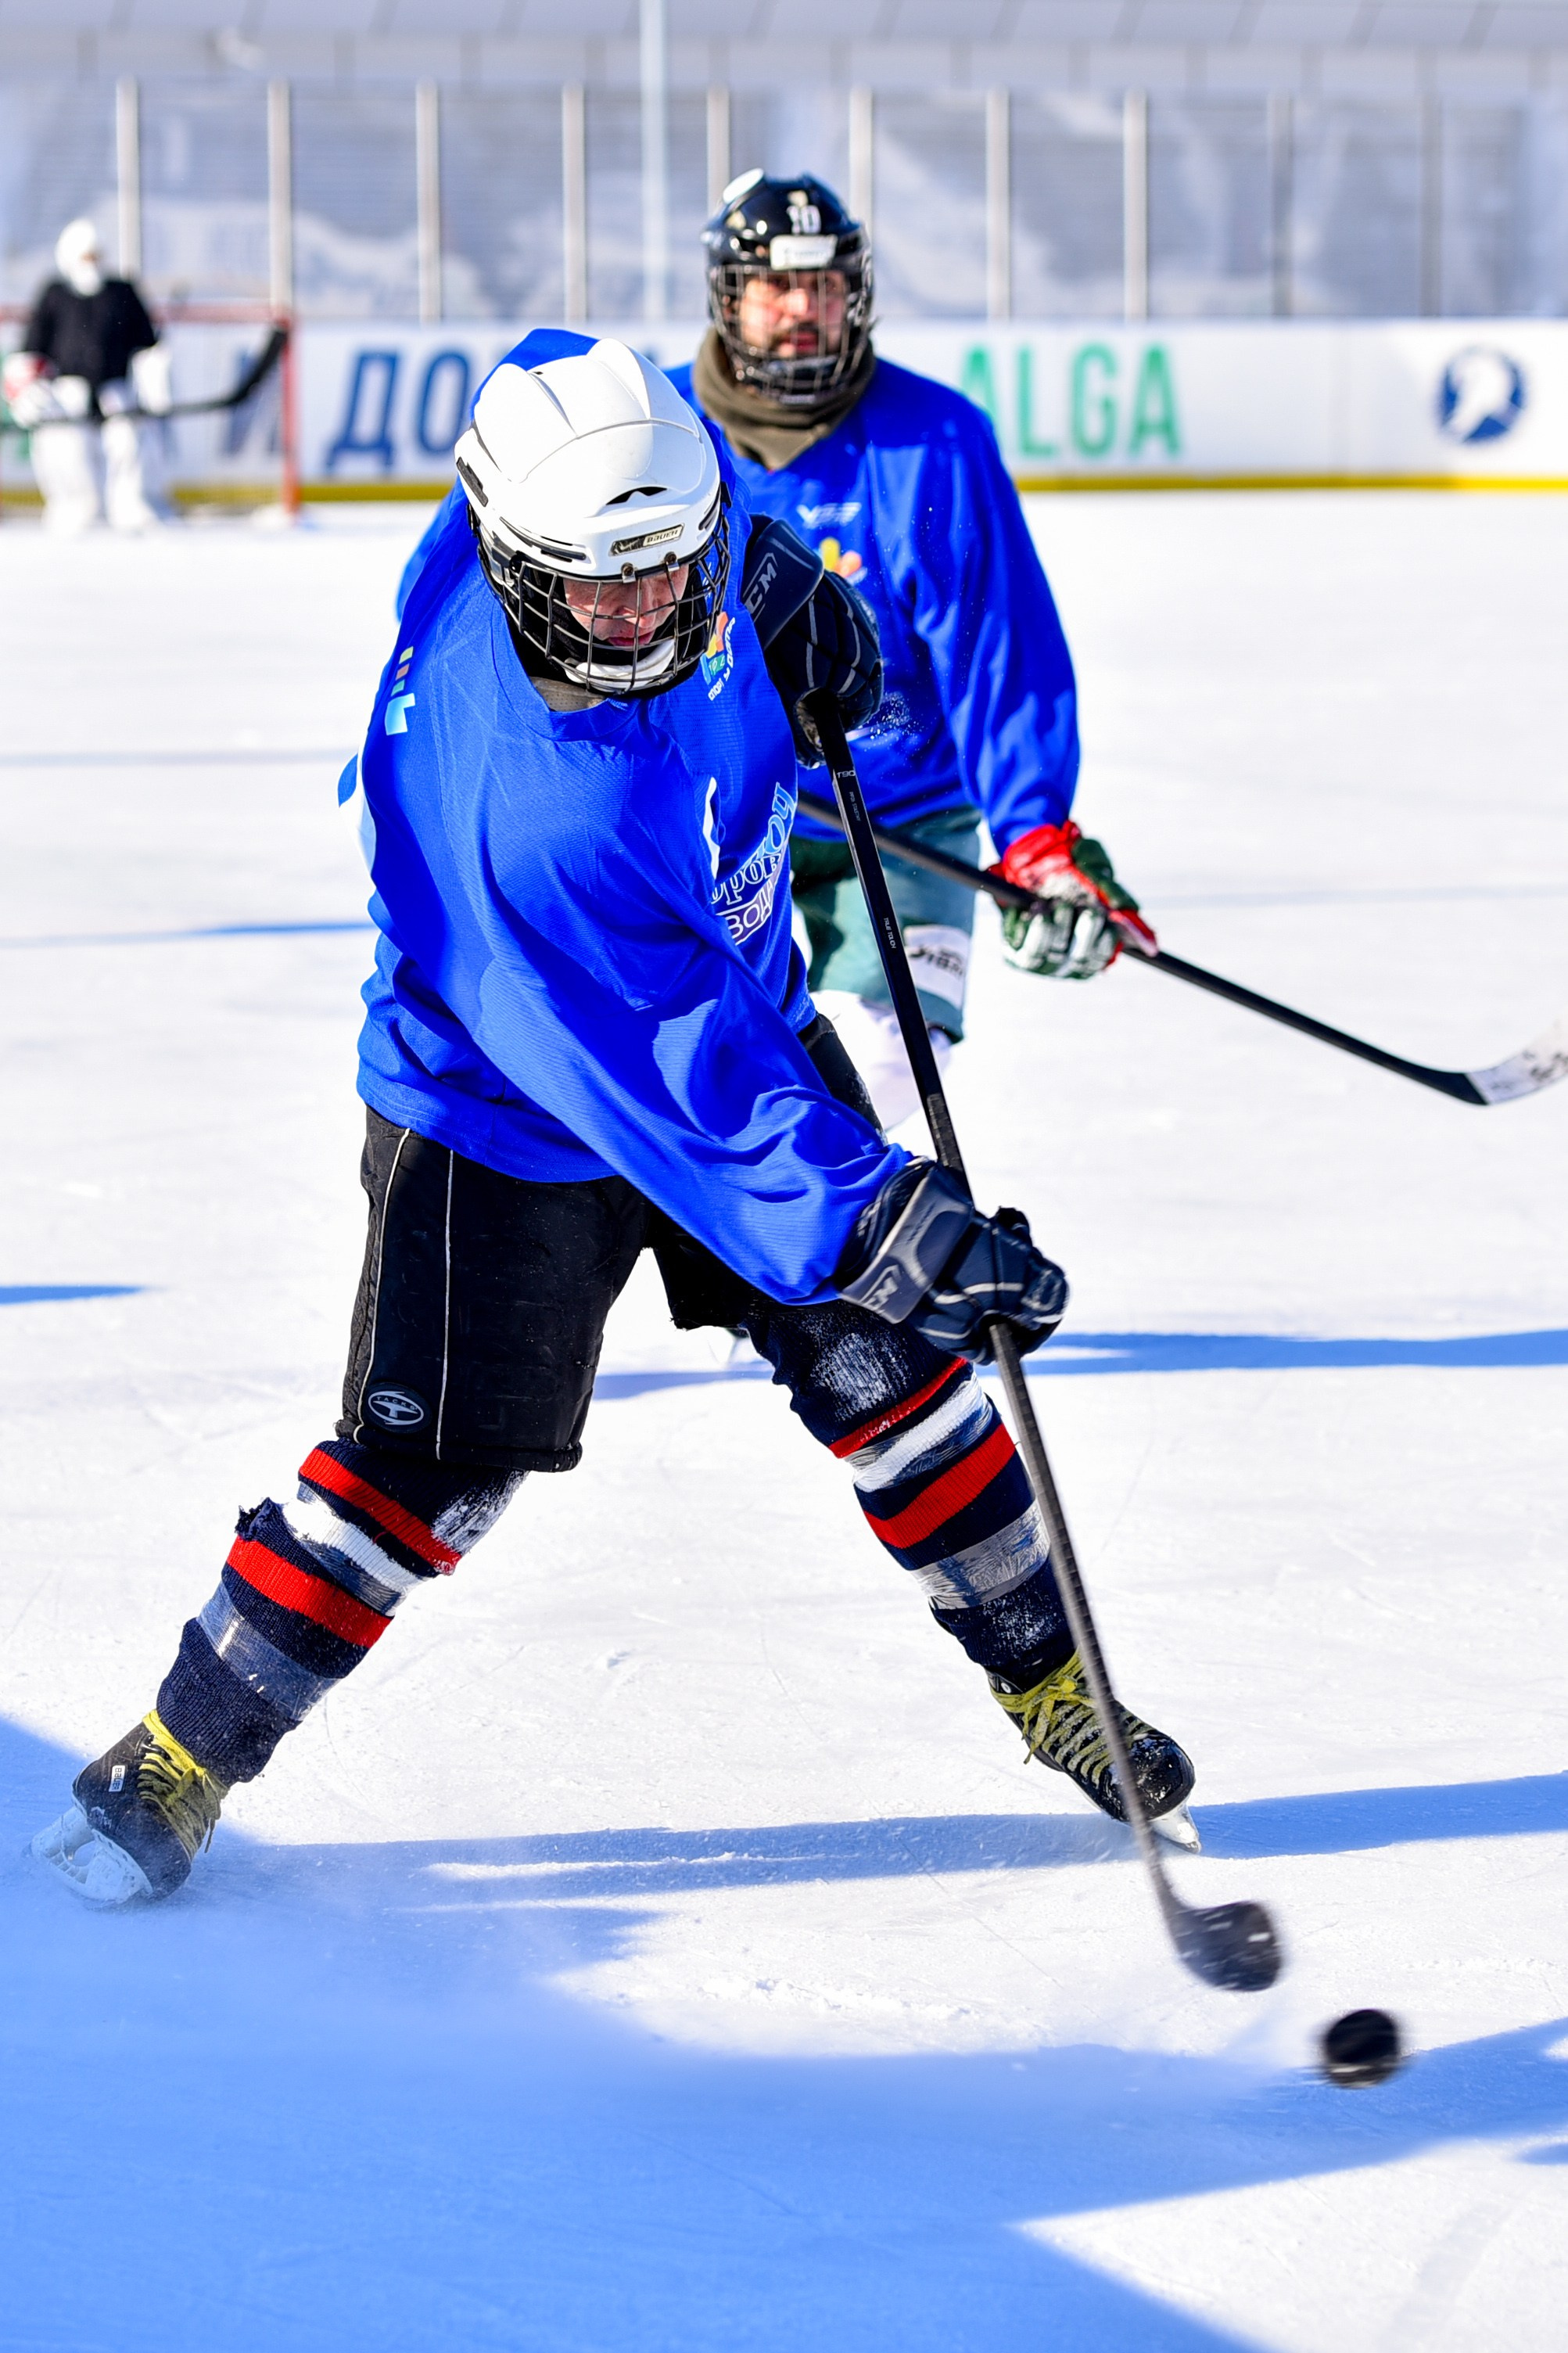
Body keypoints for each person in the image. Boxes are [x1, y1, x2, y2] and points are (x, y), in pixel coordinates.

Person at [31, 332, 1193, 1910]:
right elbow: (683, 1082)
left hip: (729, 1024)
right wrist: (886, 1218)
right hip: (511, 1105)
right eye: (602, 587)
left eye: (674, 564)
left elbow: (571, 368)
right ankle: (181, 1746)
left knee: (894, 1377)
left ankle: (1052, 1682)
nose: (646, 610)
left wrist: (772, 571)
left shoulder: (602, 522)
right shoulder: (536, 809)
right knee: (425, 1471)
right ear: (516, 565)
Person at [668, 172, 1156, 1132]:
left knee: (876, 1079)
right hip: (713, 816)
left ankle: (812, 1264)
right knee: (692, 1071)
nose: (805, 308)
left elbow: (996, 652)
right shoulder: (662, 431)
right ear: (729, 295)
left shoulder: (936, 440)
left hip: (901, 816)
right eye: (776, 285)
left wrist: (1035, 833)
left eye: (826, 284)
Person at [2, 217, 170, 536]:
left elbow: (149, 346)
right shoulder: (54, 294)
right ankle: (75, 506)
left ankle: (131, 503)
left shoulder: (122, 291)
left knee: (129, 440)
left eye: (96, 256)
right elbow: (30, 351)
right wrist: (24, 390)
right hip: (68, 392)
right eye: (84, 257)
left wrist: (155, 383)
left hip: (116, 389)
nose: (91, 264)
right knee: (64, 446)